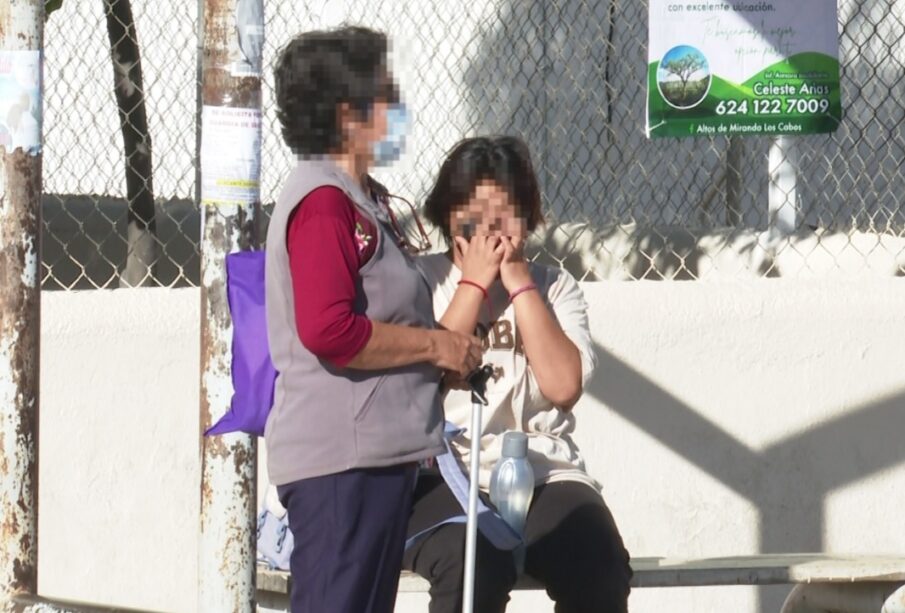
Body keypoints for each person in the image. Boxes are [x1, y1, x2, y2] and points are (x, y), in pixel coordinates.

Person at [265, 27, 483, 613]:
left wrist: (442, 352)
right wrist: (435, 348)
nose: (397, 108)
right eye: (384, 94)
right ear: (346, 114)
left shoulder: (360, 199)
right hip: (341, 462)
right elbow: (329, 330)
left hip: (376, 457)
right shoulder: (322, 203)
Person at [404, 136, 633, 613]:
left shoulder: (554, 287)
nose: (490, 229)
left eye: (504, 213)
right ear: (450, 216)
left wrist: (519, 284)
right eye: (475, 212)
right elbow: (422, 384)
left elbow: (563, 386)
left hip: (543, 472)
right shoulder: (421, 280)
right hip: (446, 471)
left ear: (527, 219)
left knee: (600, 562)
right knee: (473, 566)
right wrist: (473, 283)